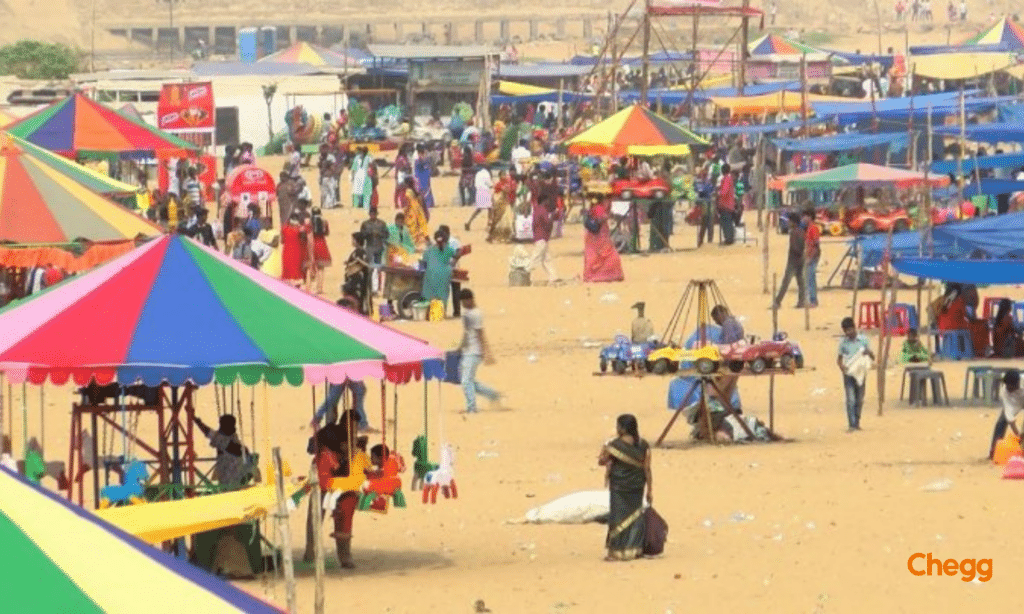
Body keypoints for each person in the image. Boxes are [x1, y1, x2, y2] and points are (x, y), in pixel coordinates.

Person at [597, 414, 652, 562]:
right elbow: (647, 469)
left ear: (622, 428)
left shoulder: (614, 445)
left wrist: (604, 449)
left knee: (618, 517)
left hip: (620, 488)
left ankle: (617, 552)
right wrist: (650, 490)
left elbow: (602, 461)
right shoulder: (643, 445)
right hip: (637, 486)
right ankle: (635, 549)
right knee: (636, 516)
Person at [457, 288, 501, 413]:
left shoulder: (476, 314)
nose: (463, 305)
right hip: (467, 350)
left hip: (475, 352)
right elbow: (466, 332)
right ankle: (492, 394)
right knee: (467, 381)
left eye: (464, 302)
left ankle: (472, 408)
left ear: (470, 300)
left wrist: (487, 352)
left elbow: (481, 334)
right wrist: (460, 347)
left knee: (466, 381)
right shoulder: (466, 314)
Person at [837, 317, 875, 432]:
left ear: (854, 328)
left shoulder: (863, 340)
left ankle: (857, 422)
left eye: (850, 330)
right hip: (849, 373)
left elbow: (872, 357)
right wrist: (842, 367)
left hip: (861, 373)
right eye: (846, 331)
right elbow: (839, 359)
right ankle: (851, 424)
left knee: (860, 399)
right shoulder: (843, 343)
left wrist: (868, 353)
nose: (849, 333)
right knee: (850, 399)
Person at [193, 414, 253, 488]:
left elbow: (208, 432)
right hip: (237, 480)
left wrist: (197, 421)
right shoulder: (238, 444)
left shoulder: (225, 442)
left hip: (228, 482)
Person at [582, 196, 624, 283]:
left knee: (595, 254)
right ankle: (607, 275)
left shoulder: (595, 206)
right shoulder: (600, 207)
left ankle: (594, 275)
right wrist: (606, 217)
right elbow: (600, 218)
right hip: (600, 234)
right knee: (606, 253)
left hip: (595, 235)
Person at [422, 229, 464, 314]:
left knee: (430, 294)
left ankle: (429, 312)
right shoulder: (448, 249)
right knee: (443, 295)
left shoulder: (429, 249)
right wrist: (459, 255)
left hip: (431, 275)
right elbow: (457, 255)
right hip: (445, 275)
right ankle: (441, 313)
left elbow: (424, 262)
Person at [773, 212, 806, 308]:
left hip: (793, 260)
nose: (788, 223)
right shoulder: (801, 231)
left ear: (794, 222)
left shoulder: (794, 232)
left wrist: (797, 252)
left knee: (786, 282)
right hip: (801, 259)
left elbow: (795, 247)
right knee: (801, 282)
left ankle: (777, 302)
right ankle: (801, 301)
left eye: (789, 221)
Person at [988, 370, 1023, 460]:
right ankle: (994, 451)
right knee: (1001, 422)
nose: (1008, 389)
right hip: (1014, 402)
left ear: (1018, 383)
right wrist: (1019, 436)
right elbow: (1010, 418)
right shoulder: (1005, 393)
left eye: (1011, 387)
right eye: (1007, 386)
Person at [529, 194, 559, 284]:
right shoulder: (543, 210)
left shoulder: (536, 210)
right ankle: (525, 273)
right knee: (535, 257)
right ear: (544, 201)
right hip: (542, 237)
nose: (548, 202)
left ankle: (553, 277)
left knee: (546, 259)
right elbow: (547, 222)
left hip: (539, 236)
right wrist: (553, 216)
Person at [360, 207, 389, 295]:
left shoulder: (382, 224)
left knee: (377, 269)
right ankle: (369, 287)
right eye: (371, 214)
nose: (372, 215)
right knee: (369, 269)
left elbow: (386, 235)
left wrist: (378, 234)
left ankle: (375, 289)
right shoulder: (365, 224)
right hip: (369, 248)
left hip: (379, 249)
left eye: (374, 214)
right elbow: (361, 236)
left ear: (376, 214)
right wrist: (369, 233)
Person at [343, 232, 371, 315]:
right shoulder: (356, 251)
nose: (352, 241)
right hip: (353, 280)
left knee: (357, 300)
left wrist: (358, 261)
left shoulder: (361, 252)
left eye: (353, 240)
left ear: (357, 241)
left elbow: (367, 265)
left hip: (358, 281)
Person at [400, 177, 430, 246]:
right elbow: (421, 202)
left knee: (411, 227)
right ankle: (427, 240)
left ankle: (411, 243)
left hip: (411, 212)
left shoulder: (407, 193)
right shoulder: (415, 192)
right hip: (418, 211)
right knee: (422, 225)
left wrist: (405, 211)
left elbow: (407, 204)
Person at [280, 213, 308, 287]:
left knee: (287, 273)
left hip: (286, 252)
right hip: (296, 252)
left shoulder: (284, 228)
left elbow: (282, 241)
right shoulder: (299, 229)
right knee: (296, 273)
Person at [309, 207, 332, 295]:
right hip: (322, 243)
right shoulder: (324, 222)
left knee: (312, 266)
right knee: (321, 268)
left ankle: (312, 286)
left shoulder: (310, 223)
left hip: (312, 243)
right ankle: (320, 287)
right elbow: (327, 233)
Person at [802, 209, 821, 308]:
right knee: (809, 279)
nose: (803, 219)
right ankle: (812, 299)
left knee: (810, 279)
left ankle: (813, 300)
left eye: (804, 216)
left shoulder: (813, 228)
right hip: (810, 255)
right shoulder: (808, 228)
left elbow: (816, 244)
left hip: (813, 256)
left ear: (809, 217)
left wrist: (811, 257)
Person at [465, 165, 493, 231]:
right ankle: (489, 225)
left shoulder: (478, 173)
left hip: (478, 192)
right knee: (490, 209)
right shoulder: (487, 174)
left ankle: (469, 222)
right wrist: (492, 185)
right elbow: (489, 183)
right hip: (485, 192)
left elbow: (476, 184)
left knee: (478, 209)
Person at [717, 163, 736, 245]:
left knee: (726, 222)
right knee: (727, 222)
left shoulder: (727, 179)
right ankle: (729, 238)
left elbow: (724, 192)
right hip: (728, 204)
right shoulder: (728, 178)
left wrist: (718, 193)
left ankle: (729, 239)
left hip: (726, 204)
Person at [413, 144, 435, 214]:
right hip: (420, 177)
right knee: (422, 190)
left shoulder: (426, 159)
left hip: (425, 176)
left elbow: (429, 167)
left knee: (427, 190)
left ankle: (429, 204)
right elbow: (417, 169)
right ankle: (425, 204)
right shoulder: (417, 160)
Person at [318, 145, 338, 210]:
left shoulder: (330, 157)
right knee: (324, 192)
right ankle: (325, 205)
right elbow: (320, 167)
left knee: (331, 191)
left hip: (329, 177)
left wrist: (330, 173)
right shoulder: (320, 157)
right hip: (323, 177)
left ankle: (331, 205)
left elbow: (333, 167)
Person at [393, 143, 412, 208]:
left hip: (403, 174)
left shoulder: (402, 157)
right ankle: (402, 204)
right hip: (401, 174)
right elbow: (402, 166)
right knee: (402, 190)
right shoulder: (401, 158)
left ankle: (397, 203)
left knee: (399, 189)